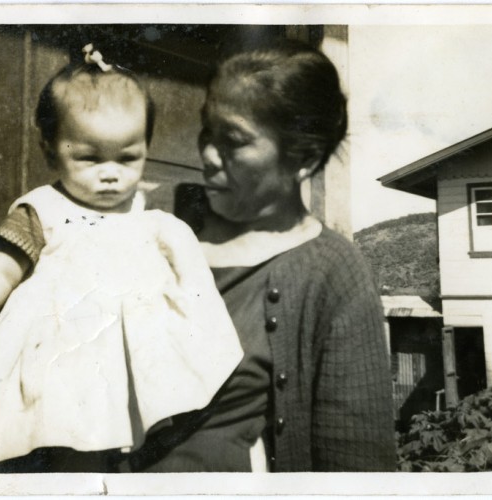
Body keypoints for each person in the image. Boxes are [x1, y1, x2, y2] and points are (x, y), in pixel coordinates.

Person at [0, 45, 243, 474]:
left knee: (104, 447)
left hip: (119, 368)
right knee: (36, 437)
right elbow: (0, 271)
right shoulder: (43, 210)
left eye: (128, 158)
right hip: (51, 362)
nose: (109, 173)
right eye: (88, 158)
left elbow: (193, 293)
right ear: (50, 151)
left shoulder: (152, 222)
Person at [122, 41, 396, 473]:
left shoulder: (332, 273)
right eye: (206, 133)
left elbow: (356, 466)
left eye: (233, 141)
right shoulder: (157, 226)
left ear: (302, 159)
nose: (208, 156)